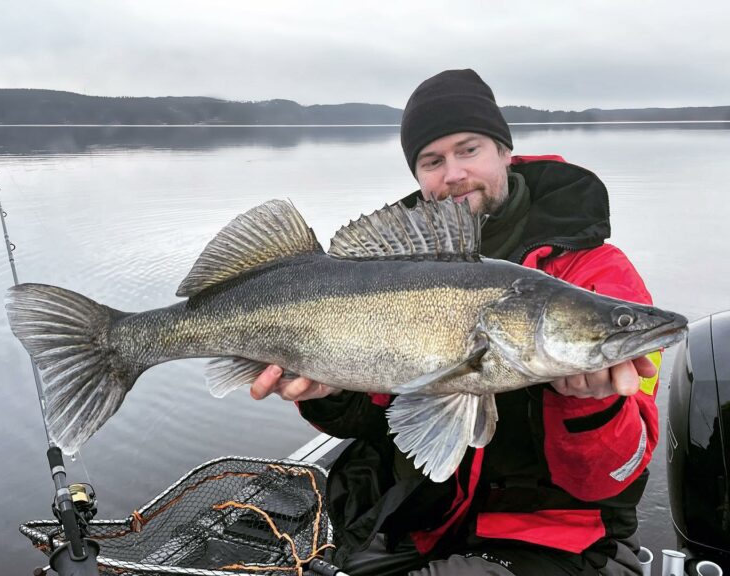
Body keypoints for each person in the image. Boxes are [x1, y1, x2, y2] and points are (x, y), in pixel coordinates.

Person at [251, 69, 660, 576]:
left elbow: (614, 477)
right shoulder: (391, 271)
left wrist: (592, 408)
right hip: (425, 521)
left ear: (505, 152)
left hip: (553, 539)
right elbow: (382, 418)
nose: (453, 174)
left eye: (469, 150)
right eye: (432, 160)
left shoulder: (598, 274)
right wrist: (327, 395)